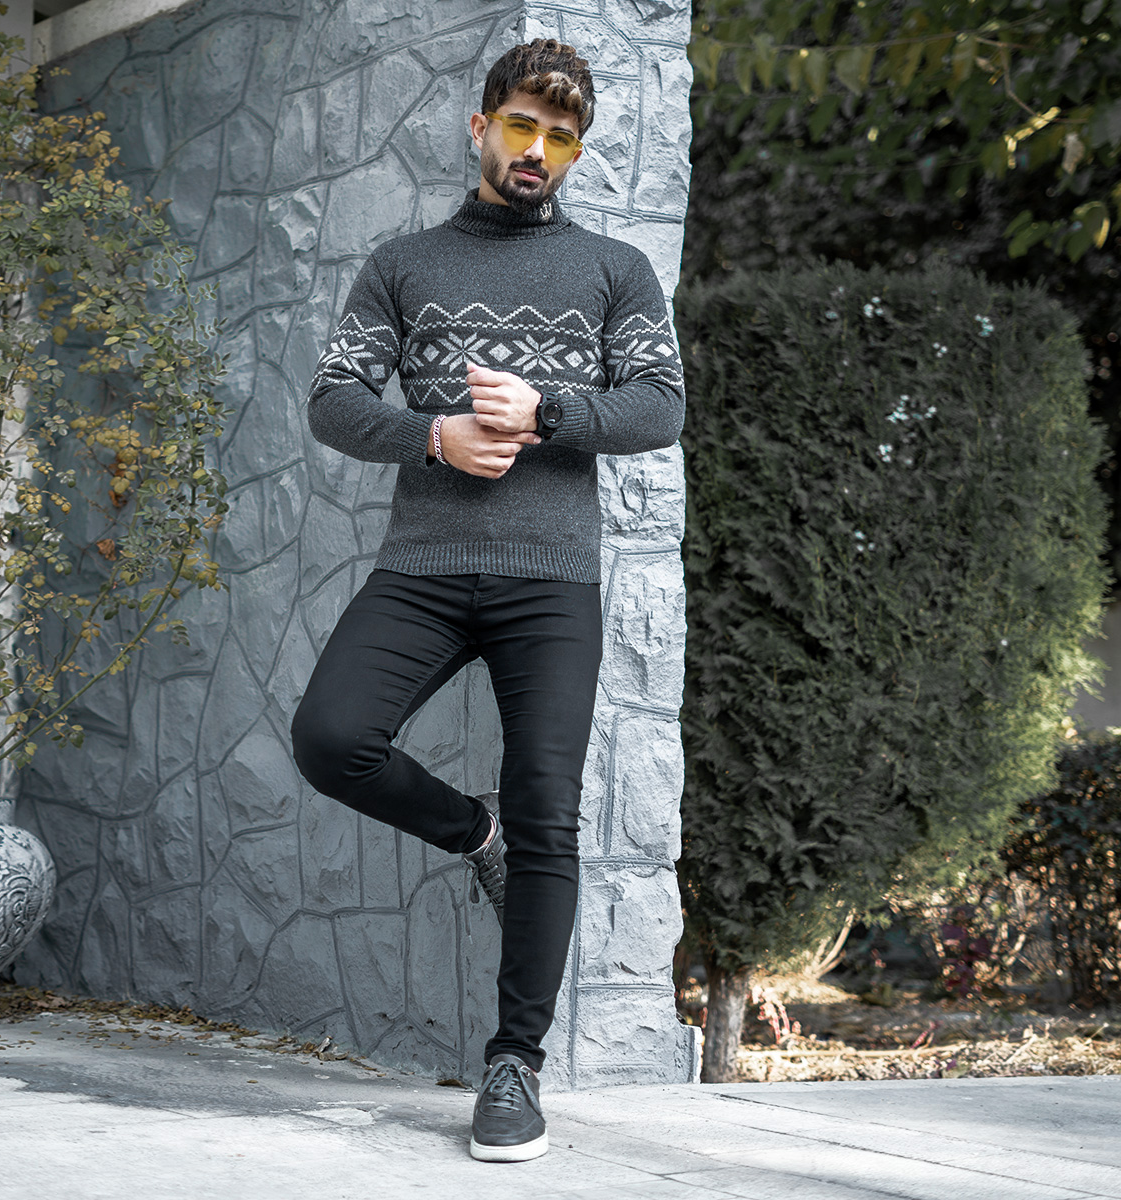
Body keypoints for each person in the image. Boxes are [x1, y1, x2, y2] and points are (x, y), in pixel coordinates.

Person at [291, 37, 685, 1163]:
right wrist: (436, 435)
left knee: (551, 809)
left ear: (575, 152)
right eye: (522, 126)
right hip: (422, 569)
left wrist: (547, 411)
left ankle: (514, 1065)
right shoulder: (403, 264)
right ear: (481, 127)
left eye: (561, 137)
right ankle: (477, 833)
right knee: (332, 739)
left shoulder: (614, 269)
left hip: (551, 580)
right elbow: (332, 399)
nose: (538, 151)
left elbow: (660, 406)